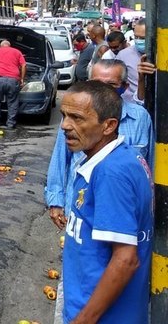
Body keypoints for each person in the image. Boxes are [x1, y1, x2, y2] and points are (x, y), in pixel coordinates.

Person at [57, 81, 152, 324]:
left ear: (109, 125)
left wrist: (83, 320)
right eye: (64, 116)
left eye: (77, 118)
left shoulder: (111, 173)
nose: (65, 126)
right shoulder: (118, 159)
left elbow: (126, 260)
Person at [46, 60, 153, 222]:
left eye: (111, 84)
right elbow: (60, 159)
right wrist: (55, 201)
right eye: (96, 84)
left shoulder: (140, 118)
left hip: (124, 210)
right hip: (79, 209)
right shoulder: (73, 117)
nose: (103, 91)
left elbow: (148, 166)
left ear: (124, 86)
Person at [0, 40, 26, 129]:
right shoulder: (17, 52)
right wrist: (22, 79)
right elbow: (23, 65)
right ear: (9, 46)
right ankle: (11, 124)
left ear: (0, 46)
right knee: (13, 102)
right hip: (13, 79)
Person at [114, 19, 147, 104]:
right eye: (136, 37)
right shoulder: (124, 55)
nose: (138, 40)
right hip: (131, 107)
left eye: (143, 38)